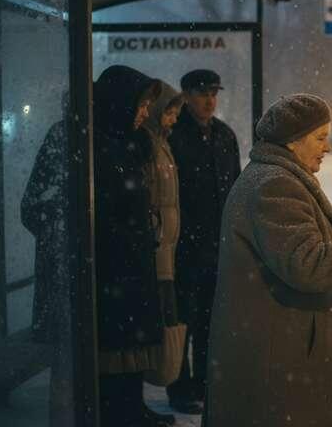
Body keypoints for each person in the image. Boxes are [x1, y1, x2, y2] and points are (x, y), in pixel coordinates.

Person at [204, 93, 332, 426]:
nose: (327, 147)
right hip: (278, 354)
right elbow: (306, 263)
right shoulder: (275, 186)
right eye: (320, 137)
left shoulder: (273, 177)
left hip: (279, 343)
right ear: (293, 141)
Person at [93, 65, 164, 427]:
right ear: (119, 103)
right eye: (140, 105)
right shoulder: (92, 145)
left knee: (131, 348)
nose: (145, 112)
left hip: (132, 265)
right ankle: (120, 414)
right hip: (109, 271)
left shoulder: (128, 142)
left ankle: (131, 410)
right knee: (114, 351)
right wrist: (118, 233)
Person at [167, 69, 240, 414]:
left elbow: (235, 189)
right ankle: (180, 388)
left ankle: (204, 384)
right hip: (182, 245)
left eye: (213, 92)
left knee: (210, 320)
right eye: (201, 93)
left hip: (216, 244)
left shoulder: (224, 135)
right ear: (185, 95)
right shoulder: (172, 134)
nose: (210, 99)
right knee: (184, 319)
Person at [20, 92, 73, 427]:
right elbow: (32, 206)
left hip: (65, 265)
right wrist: (61, 232)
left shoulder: (64, 137)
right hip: (64, 269)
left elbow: (32, 206)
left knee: (67, 355)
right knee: (66, 355)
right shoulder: (62, 138)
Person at [140, 82, 186, 426]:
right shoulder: (147, 145)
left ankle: (146, 394)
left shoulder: (161, 144)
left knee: (164, 325)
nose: (172, 119)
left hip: (165, 253)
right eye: (169, 112)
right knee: (153, 327)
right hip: (154, 254)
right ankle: (142, 394)